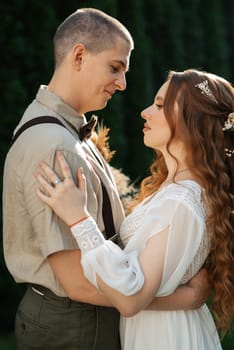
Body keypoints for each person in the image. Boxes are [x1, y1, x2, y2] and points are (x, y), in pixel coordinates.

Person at [2, 7, 210, 350]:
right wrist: (182, 299)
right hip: (78, 323)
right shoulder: (57, 145)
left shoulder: (64, 128)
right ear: (79, 56)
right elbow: (78, 284)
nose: (124, 84)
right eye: (115, 67)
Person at [35, 68, 234, 350]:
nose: (144, 111)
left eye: (161, 105)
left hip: (164, 337)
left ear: (195, 122)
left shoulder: (180, 202)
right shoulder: (178, 189)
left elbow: (130, 298)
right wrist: (185, 297)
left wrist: (78, 218)